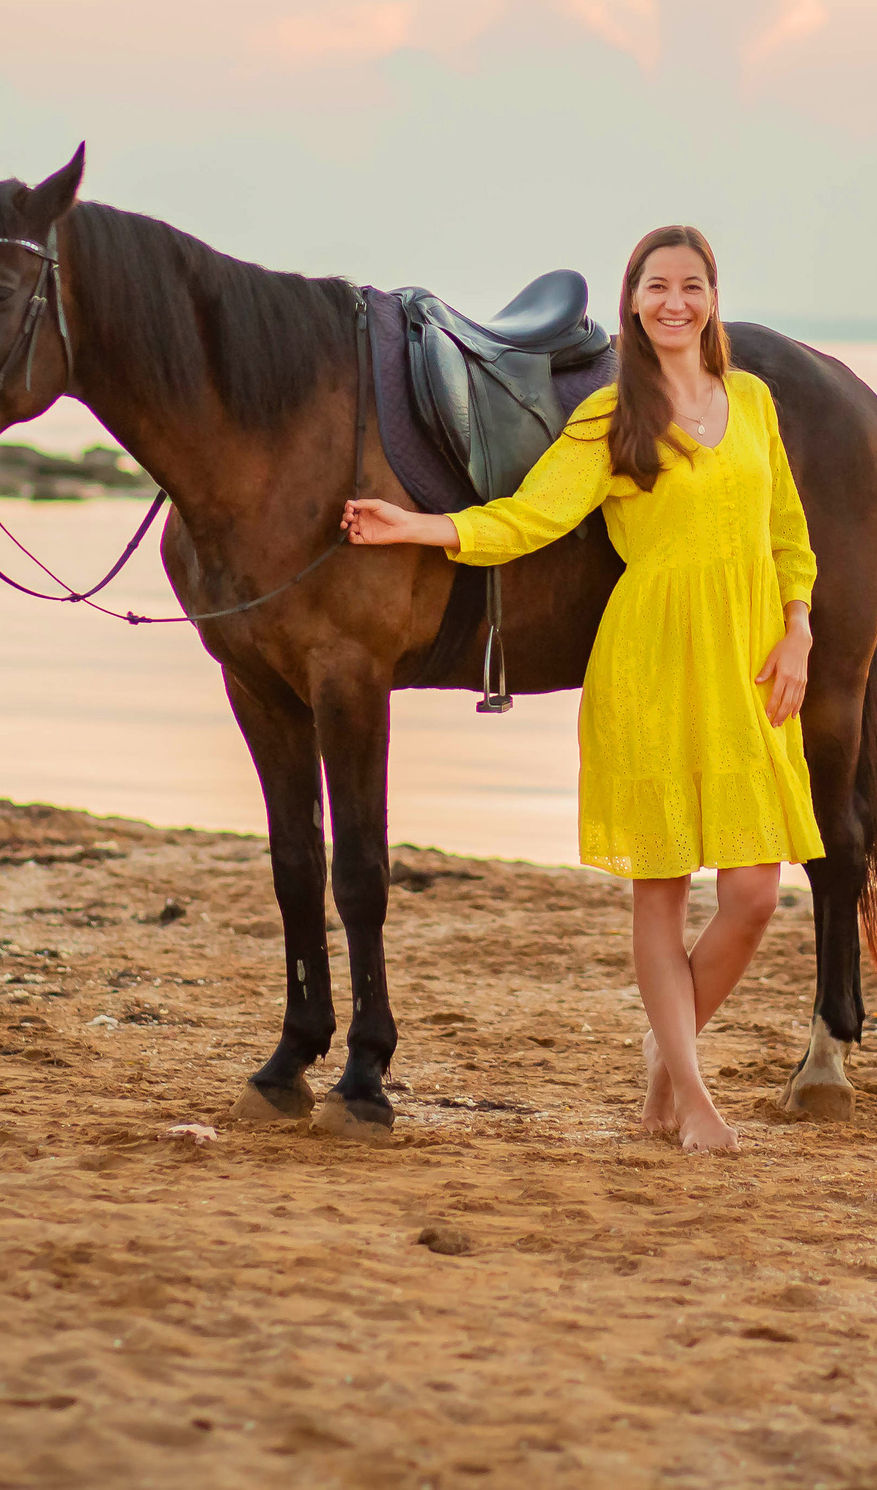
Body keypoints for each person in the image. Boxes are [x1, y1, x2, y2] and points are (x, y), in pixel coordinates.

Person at [344, 226, 821, 1154]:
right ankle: (692, 1097)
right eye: (656, 287)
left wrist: (799, 625)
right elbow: (529, 517)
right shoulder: (611, 416)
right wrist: (415, 525)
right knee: (663, 887)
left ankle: (662, 1066)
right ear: (633, 301)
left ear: (712, 298)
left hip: (749, 659)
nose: (674, 302)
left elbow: (790, 534)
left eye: (691, 285)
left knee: (756, 893)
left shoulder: (753, 401)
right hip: (649, 662)